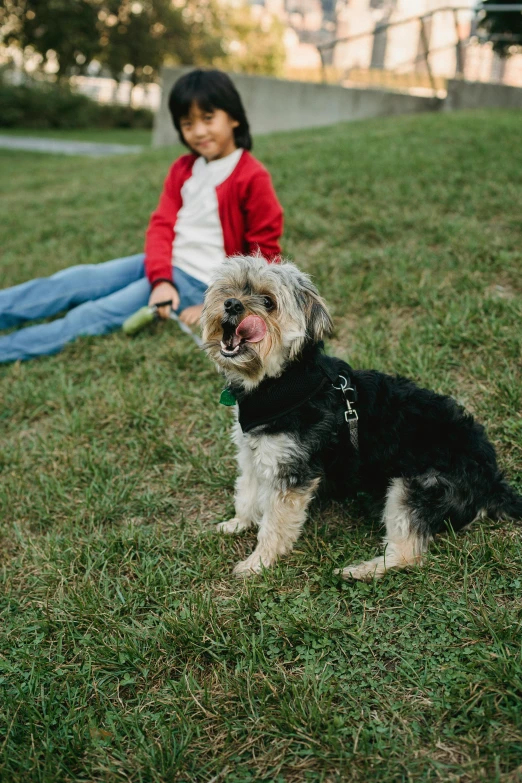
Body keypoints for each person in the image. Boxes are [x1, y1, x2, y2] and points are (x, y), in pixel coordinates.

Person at [0, 69, 283, 363]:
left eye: (208, 119)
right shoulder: (184, 169)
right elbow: (161, 225)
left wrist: (218, 307)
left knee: (92, 314)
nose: (198, 131)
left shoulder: (252, 177)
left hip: (199, 282)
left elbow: (264, 260)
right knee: (75, 280)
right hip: (160, 265)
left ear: (234, 117)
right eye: (188, 123)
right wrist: (160, 276)